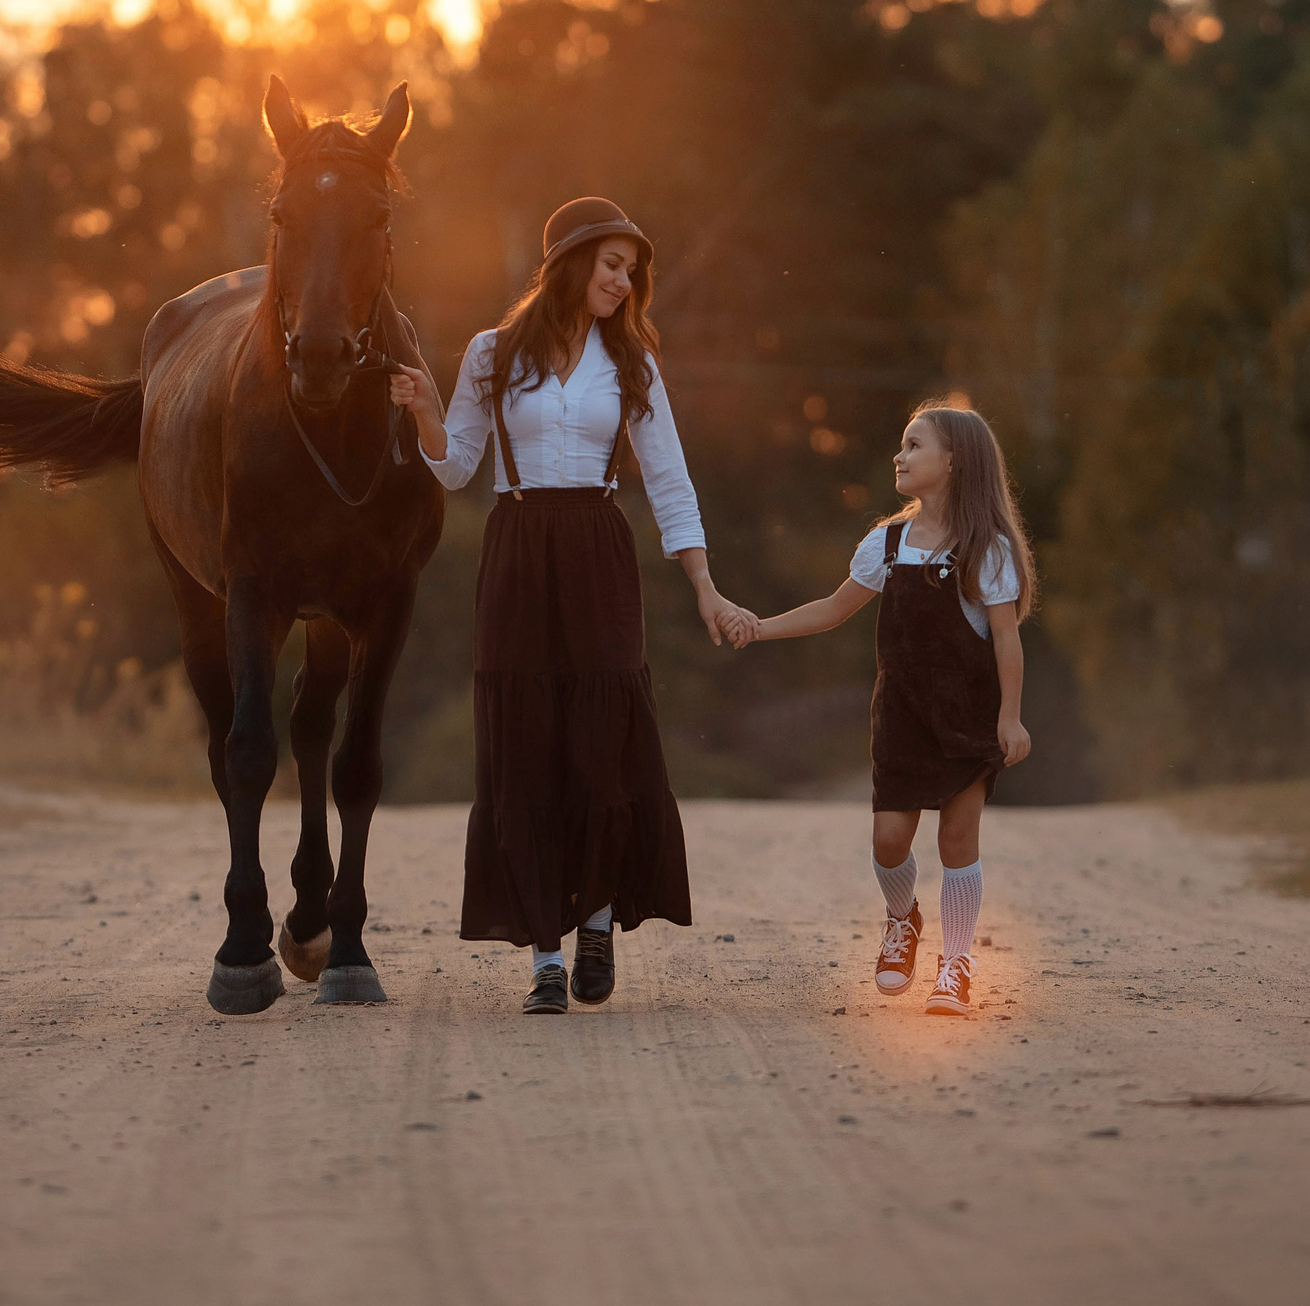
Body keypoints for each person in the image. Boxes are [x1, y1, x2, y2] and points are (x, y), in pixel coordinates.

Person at [391, 197, 753, 1015]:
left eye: (632, 271)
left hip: (597, 546)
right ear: (570, 262)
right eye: (613, 265)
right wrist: (422, 412)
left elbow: (669, 480)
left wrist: (704, 584)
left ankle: (596, 923)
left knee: (599, 743)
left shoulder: (632, 363)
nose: (625, 283)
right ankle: (545, 961)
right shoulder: (491, 353)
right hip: (517, 546)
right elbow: (456, 469)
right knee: (526, 747)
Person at [725, 402, 1034, 1016]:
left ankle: (956, 965)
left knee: (957, 836)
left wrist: (1010, 717)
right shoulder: (886, 543)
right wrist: (758, 629)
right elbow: (833, 608)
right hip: (901, 716)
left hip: (969, 716)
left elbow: (1006, 637)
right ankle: (903, 919)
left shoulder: (987, 548)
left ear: (954, 461)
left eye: (914, 445)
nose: (900, 455)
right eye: (901, 444)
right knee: (891, 840)